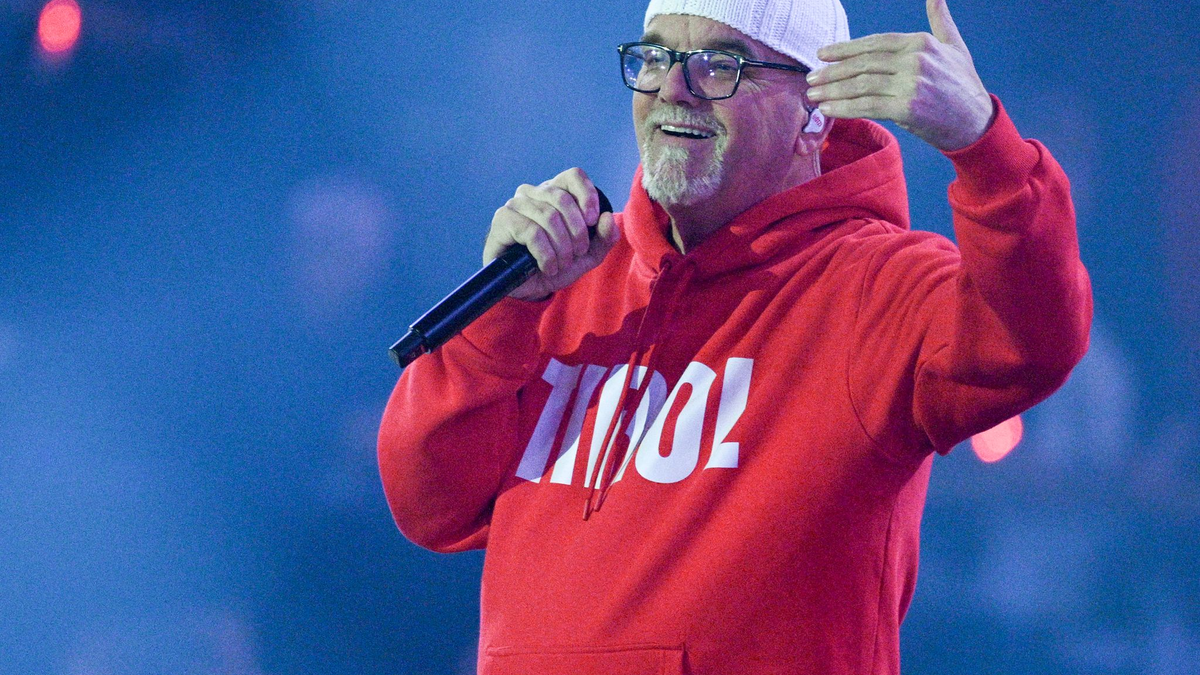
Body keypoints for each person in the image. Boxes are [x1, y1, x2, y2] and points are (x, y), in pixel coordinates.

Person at [377, 0, 1093, 672]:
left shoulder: (875, 288)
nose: (674, 89)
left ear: (814, 113)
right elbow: (429, 505)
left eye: (721, 65)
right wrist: (503, 314)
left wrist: (984, 146)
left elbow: (1033, 340)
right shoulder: (564, 280)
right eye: (655, 57)